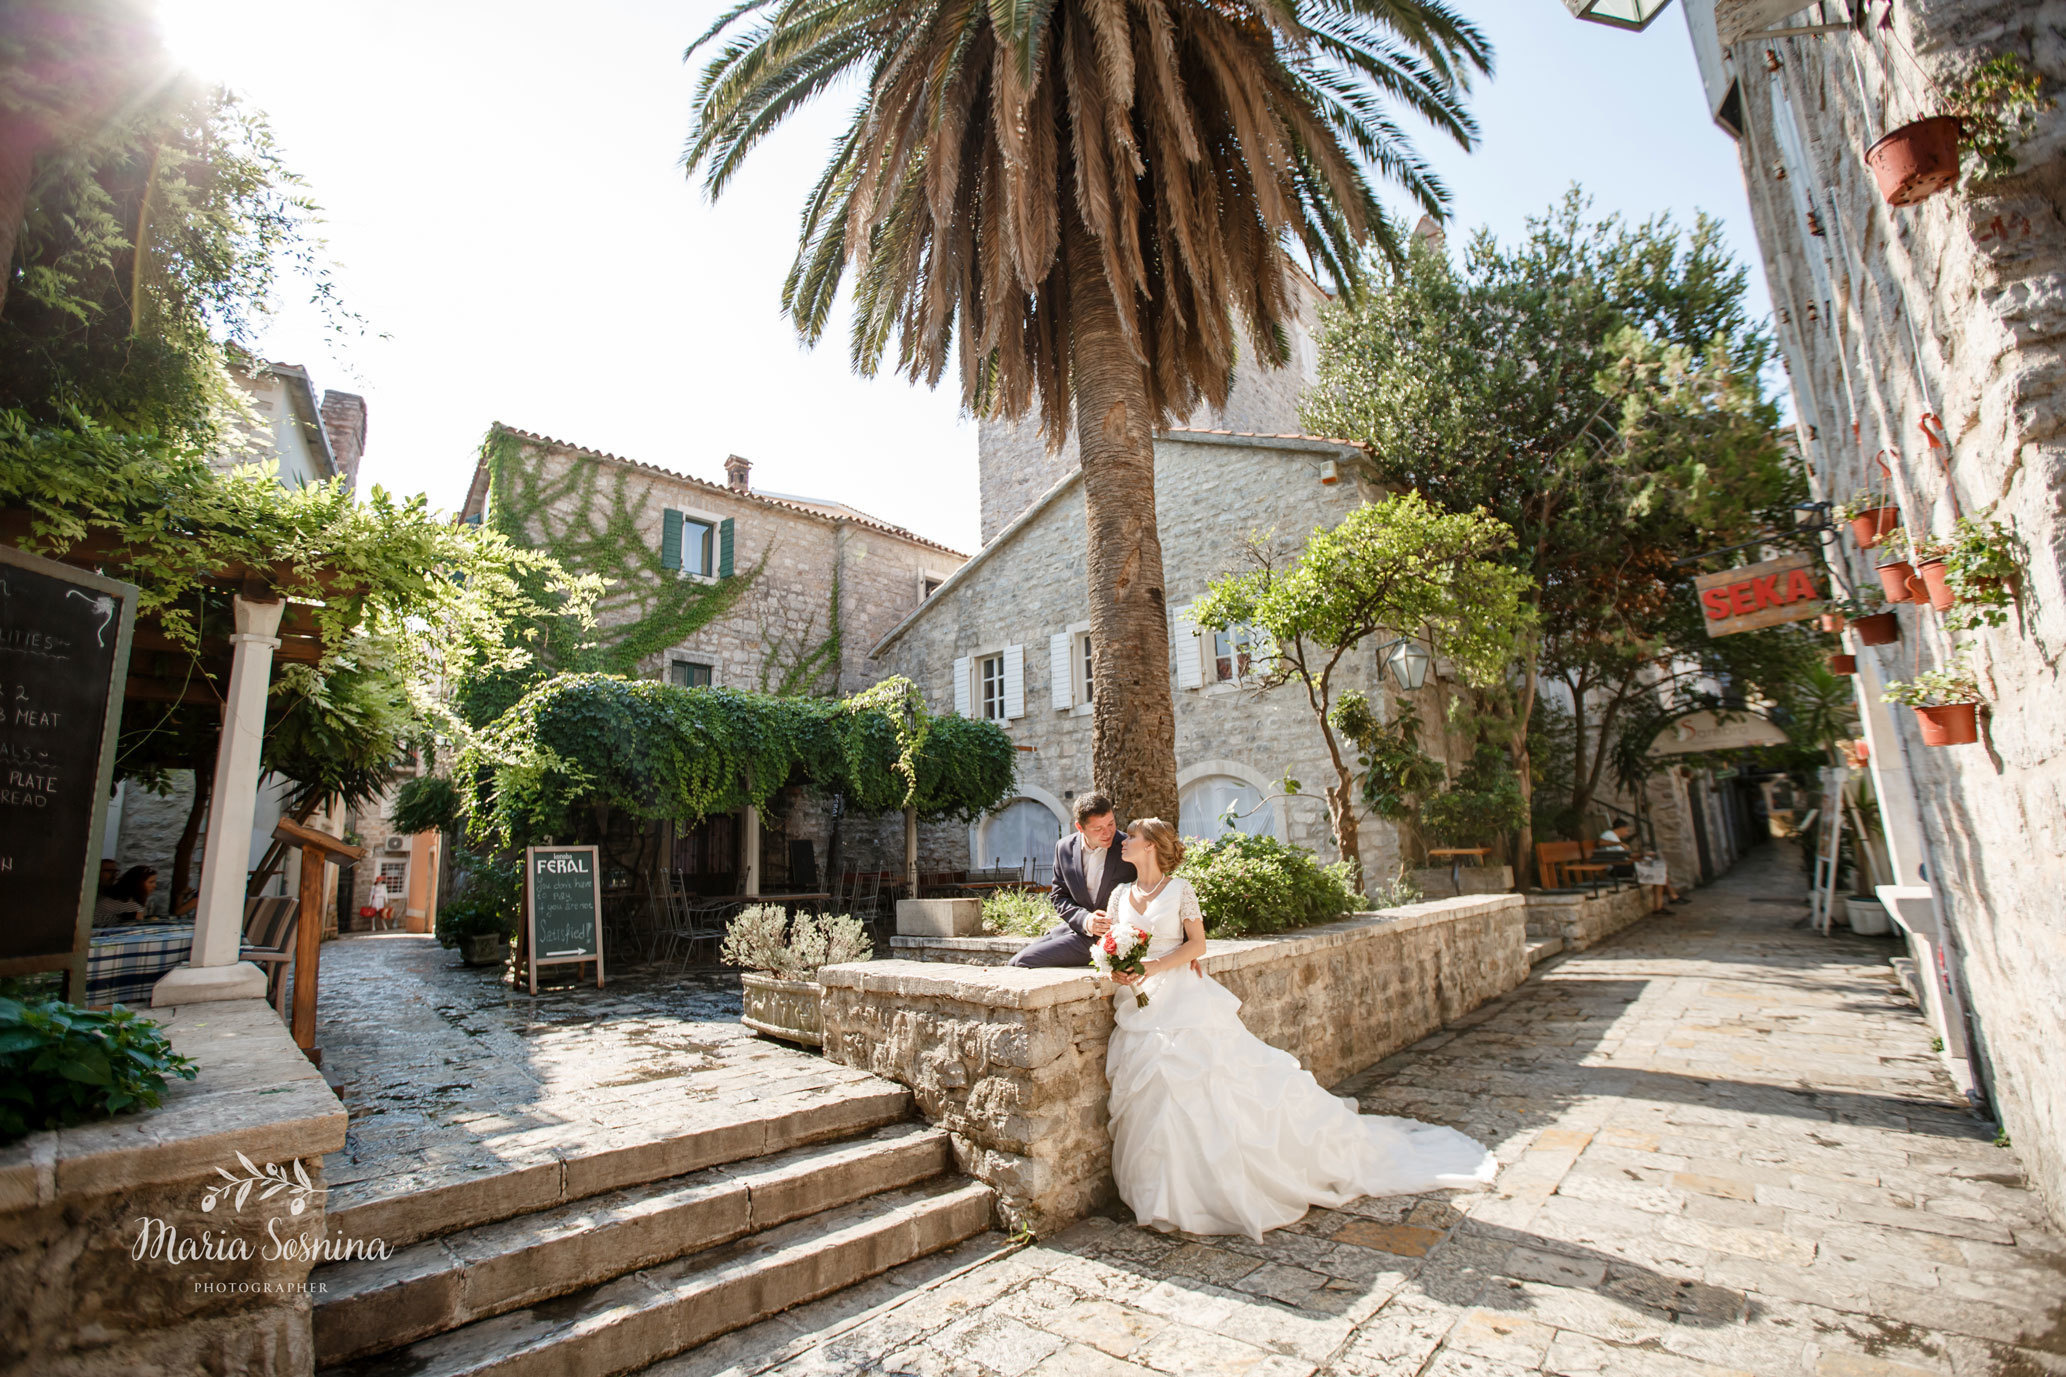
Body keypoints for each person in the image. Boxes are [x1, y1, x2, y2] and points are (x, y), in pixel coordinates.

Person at [1101, 816, 1496, 1240]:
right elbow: (1112, 941)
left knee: (1192, 1081)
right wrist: (1117, 968)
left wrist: (1158, 964)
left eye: (1133, 836)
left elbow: (1197, 945)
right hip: (1138, 1002)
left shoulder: (1180, 891)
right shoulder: (1120, 893)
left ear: (1151, 846)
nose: (1124, 841)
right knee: (1152, 1089)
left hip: (1181, 996)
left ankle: (1203, 1191)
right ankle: (1159, 1190)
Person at [1010, 792, 1136, 969]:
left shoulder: (1128, 847)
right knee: (1012, 962)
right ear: (1080, 827)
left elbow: (1153, 890)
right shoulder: (1064, 847)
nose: (1108, 833)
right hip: (1075, 929)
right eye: (1098, 829)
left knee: (1024, 961)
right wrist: (1085, 920)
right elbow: (1058, 896)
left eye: (1110, 823)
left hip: (1109, 939)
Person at [93, 865, 158, 926]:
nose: (155, 886)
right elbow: (134, 930)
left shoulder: (115, 898)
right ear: (138, 884)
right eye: (151, 882)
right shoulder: (130, 906)